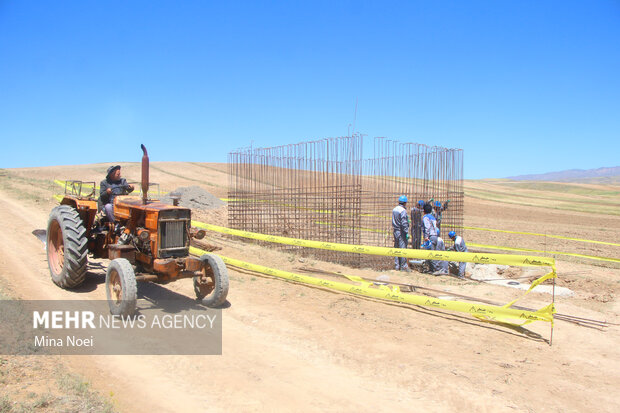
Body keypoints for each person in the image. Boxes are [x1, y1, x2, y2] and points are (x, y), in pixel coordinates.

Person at [422, 203, 448, 275]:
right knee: (431, 252)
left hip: (430, 236)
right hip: (435, 236)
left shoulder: (426, 217)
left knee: (431, 253)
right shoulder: (433, 217)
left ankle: (437, 269)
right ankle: (432, 269)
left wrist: (426, 237)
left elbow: (427, 227)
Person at [392, 195, 410, 271]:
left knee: (396, 248)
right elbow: (404, 222)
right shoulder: (402, 211)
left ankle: (397, 266)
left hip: (395, 230)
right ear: (405, 203)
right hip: (401, 231)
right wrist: (407, 232)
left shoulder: (395, 209)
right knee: (402, 249)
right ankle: (403, 266)